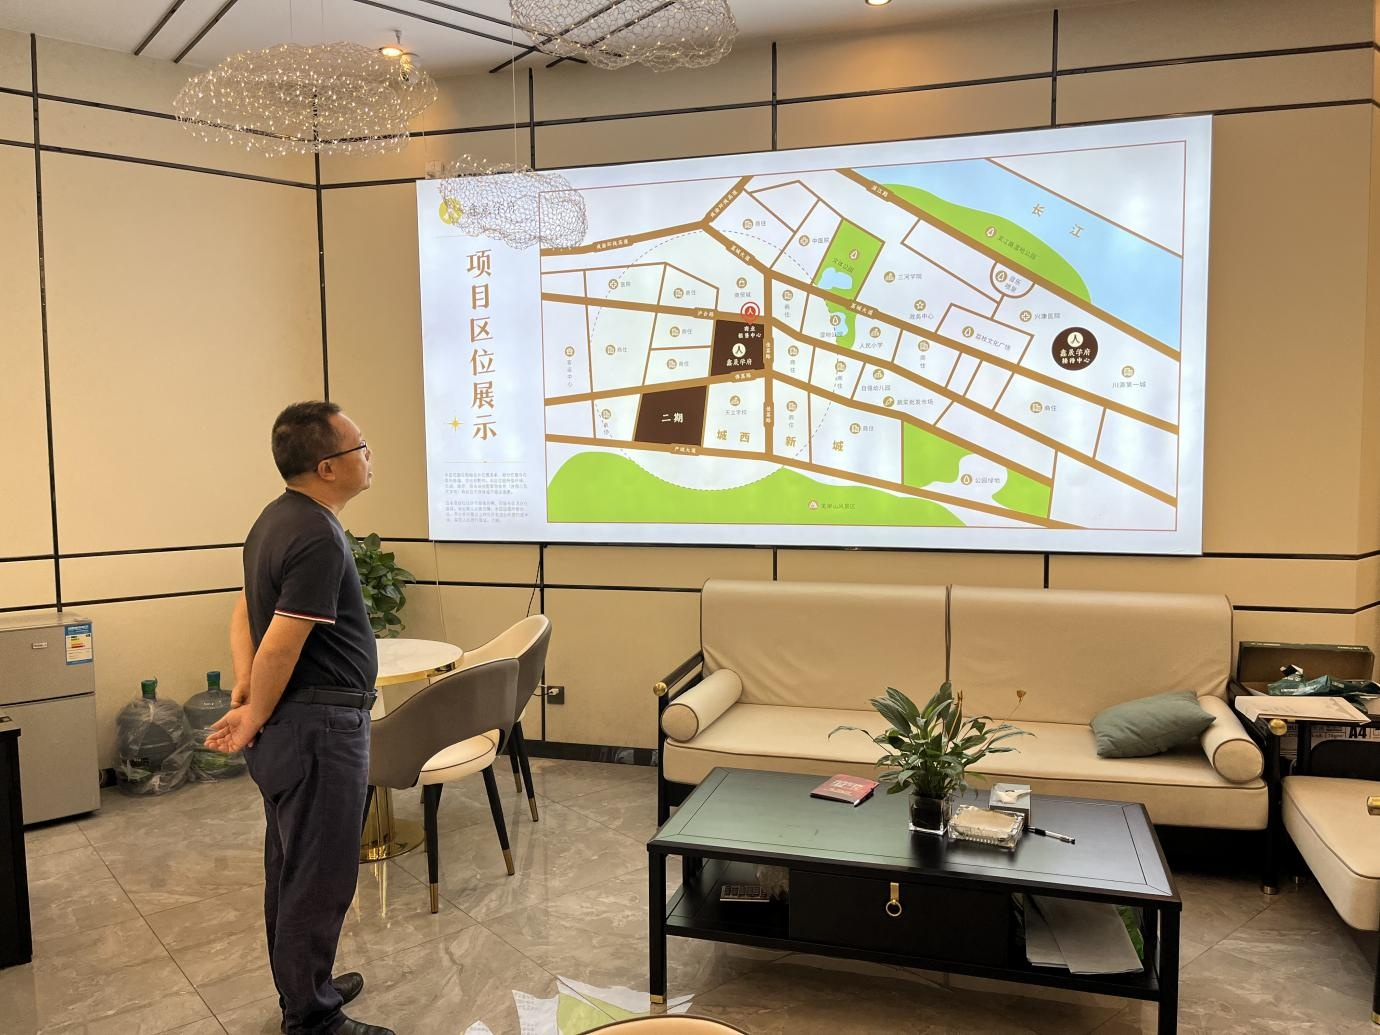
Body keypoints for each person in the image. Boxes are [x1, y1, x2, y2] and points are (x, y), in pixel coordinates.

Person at [206, 401, 393, 1035]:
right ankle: (312, 1019)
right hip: (318, 731)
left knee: (293, 867)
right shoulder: (314, 533)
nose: (368, 455)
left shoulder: (275, 519)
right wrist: (253, 710)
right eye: (359, 446)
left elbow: (244, 612)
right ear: (327, 467)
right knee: (318, 876)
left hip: (297, 726)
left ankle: (306, 988)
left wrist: (245, 686)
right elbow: (282, 640)